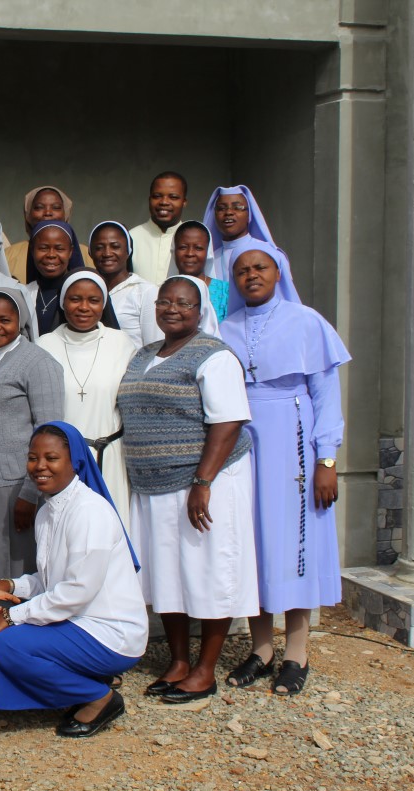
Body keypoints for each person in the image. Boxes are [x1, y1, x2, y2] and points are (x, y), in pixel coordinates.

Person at [116, 275, 259, 704]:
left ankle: (205, 669)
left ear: (200, 311)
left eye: (183, 303)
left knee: (209, 570)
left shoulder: (214, 356)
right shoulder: (144, 355)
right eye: (164, 302)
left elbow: (229, 421)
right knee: (167, 575)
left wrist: (203, 481)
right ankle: (178, 661)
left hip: (204, 483)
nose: (172, 309)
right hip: (154, 484)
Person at [221, 244, 351, 696]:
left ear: (279, 272)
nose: (251, 276)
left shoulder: (306, 321)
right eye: (241, 271)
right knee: (253, 543)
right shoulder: (225, 327)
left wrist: (327, 460)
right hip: (242, 442)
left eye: (260, 267)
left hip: (293, 440)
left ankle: (297, 649)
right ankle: (261, 648)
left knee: (293, 541)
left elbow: (326, 397)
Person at [0, 422, 147, 738]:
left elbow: (77, 591)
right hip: (78, 621)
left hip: (110, 631)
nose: (39, 467)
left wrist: (13, 616)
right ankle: (81, 685)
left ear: (74, 461)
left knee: (6, 644)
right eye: (32, 457)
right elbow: (50, 579)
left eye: (51, 458)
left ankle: (99, 698)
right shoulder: (47, 510)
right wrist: (11, 586)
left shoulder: (89, 512)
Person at [0, 287, 64, 576]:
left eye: (4, 320)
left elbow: (51, 433)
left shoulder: (37, 362)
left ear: (20, 320)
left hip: (18, 484)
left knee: (20, 568)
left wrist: (31, 493)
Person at [36, 271, 138, 527]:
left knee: (112, 531)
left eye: (93, 300)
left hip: (111, 457)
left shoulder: (122, 343)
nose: (83, 307)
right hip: (62, 462)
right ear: (62, 302)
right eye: (75, 299)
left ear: (103, 305)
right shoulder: (44, 345)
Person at [202, 184, 294, 283]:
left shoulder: (271, 254)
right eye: (221, 208)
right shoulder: (208, 260)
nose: (228, 212)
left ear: (249, 214)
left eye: (237, 207)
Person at [89, 221, 159, 348]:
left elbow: (154, 346)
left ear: (128, 251)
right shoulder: (85, 291)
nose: (107, 253)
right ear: (90, 253)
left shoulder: (146, 292)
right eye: (99, 248)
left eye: (115, 246)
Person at [4, 186, 92, 283]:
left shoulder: (88, 254)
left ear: (66, 213)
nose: (48, 213)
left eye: (56, 208)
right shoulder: (8, 255)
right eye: (39, 207)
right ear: (28, 214)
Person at [22, 219, 90, 338]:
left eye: (59, 249)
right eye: (43, 248)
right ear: (32, 250)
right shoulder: (23, 293)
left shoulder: (85, 296)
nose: (51, 255)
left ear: (70, 252)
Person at [130, 172, 188, 286]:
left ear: (184, 202)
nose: (164, 202)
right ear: (149, 199)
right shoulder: (131, 237)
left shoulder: (193, 240)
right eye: (157, 196)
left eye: (173, 197)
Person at [169, 220, 230, 324]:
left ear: (208, 252)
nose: (190, 253)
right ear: (174, 251)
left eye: (198, 248)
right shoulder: (163, 291)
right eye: (183, 247)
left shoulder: (225, 292)